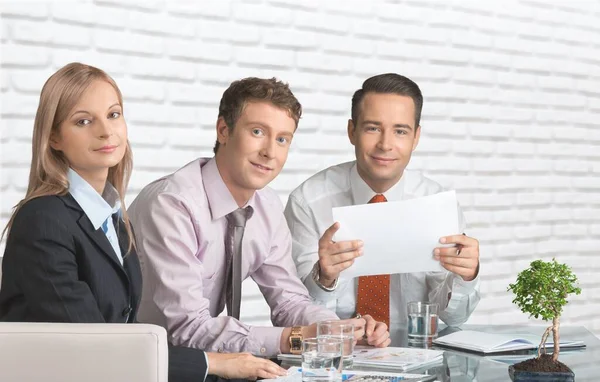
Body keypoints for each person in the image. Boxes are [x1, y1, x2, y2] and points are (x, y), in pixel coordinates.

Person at [0, 62, 287, 381]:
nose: (106, 131)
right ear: (54, 137)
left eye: (113, 114)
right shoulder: (43, 220)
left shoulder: (111, 217)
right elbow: (94, 346)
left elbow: (125, 333)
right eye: (83, 121)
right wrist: (214, 363)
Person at [128, 77, 391, 357]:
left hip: (210, 362)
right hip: (145, 362)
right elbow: (186, 328)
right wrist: (296, 339)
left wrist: (340, 330)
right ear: (223, 130)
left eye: (282, 139)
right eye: (257, 132)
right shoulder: (172, 205)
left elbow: (288, 301)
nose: (269, 152)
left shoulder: (266, 205)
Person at [284, 73, 481, 331]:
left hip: (417, 355)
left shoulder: (437, 205)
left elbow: (453, 319)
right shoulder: (308, 202)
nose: (385, 144)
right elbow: (294, 316)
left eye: (400, 131)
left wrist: (465, 276)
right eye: (373, 128)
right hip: (339, 355)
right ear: (352, 131)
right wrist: (324, 278)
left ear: (416, 138)